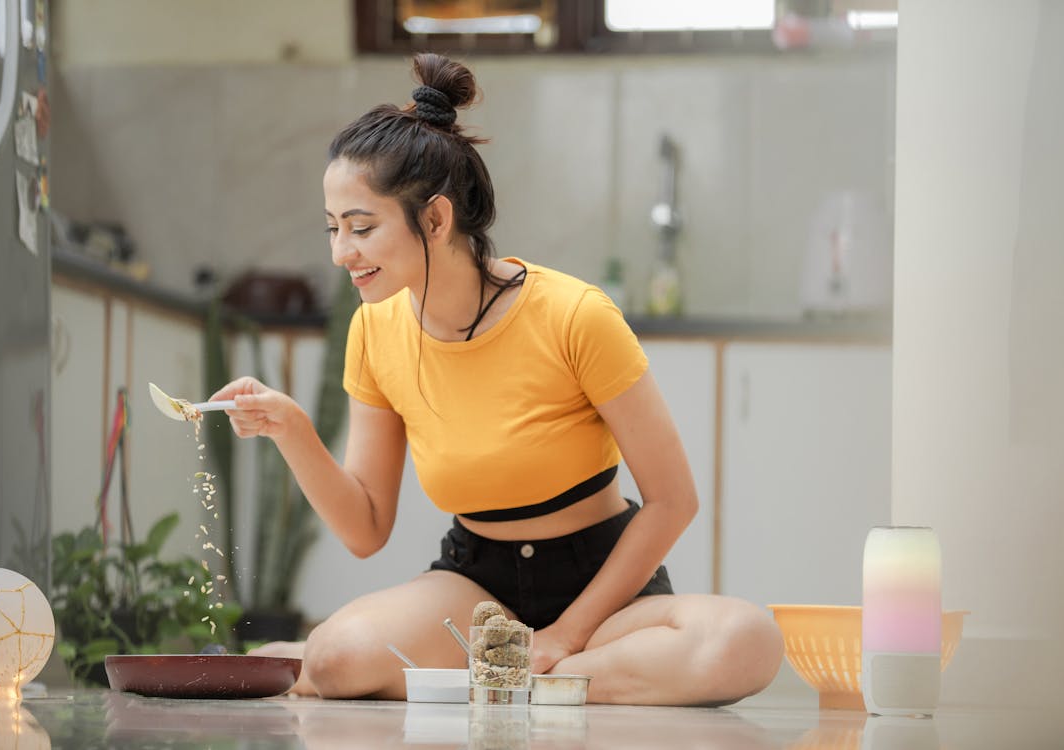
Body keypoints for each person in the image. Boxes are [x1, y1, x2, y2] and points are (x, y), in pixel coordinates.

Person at [212, 52, 783, 706]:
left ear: (435, 218)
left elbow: (672, 500)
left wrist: (567, 635)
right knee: (338, 659)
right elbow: (366, 527)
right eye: (334, 230)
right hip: (474, 587)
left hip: (600, 589)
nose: (342, 253)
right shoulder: (374, 330)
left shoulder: (574, 315)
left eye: (361, 228)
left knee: (745, 640)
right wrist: (292, 429)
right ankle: (534, 684)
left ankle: (517, 681)